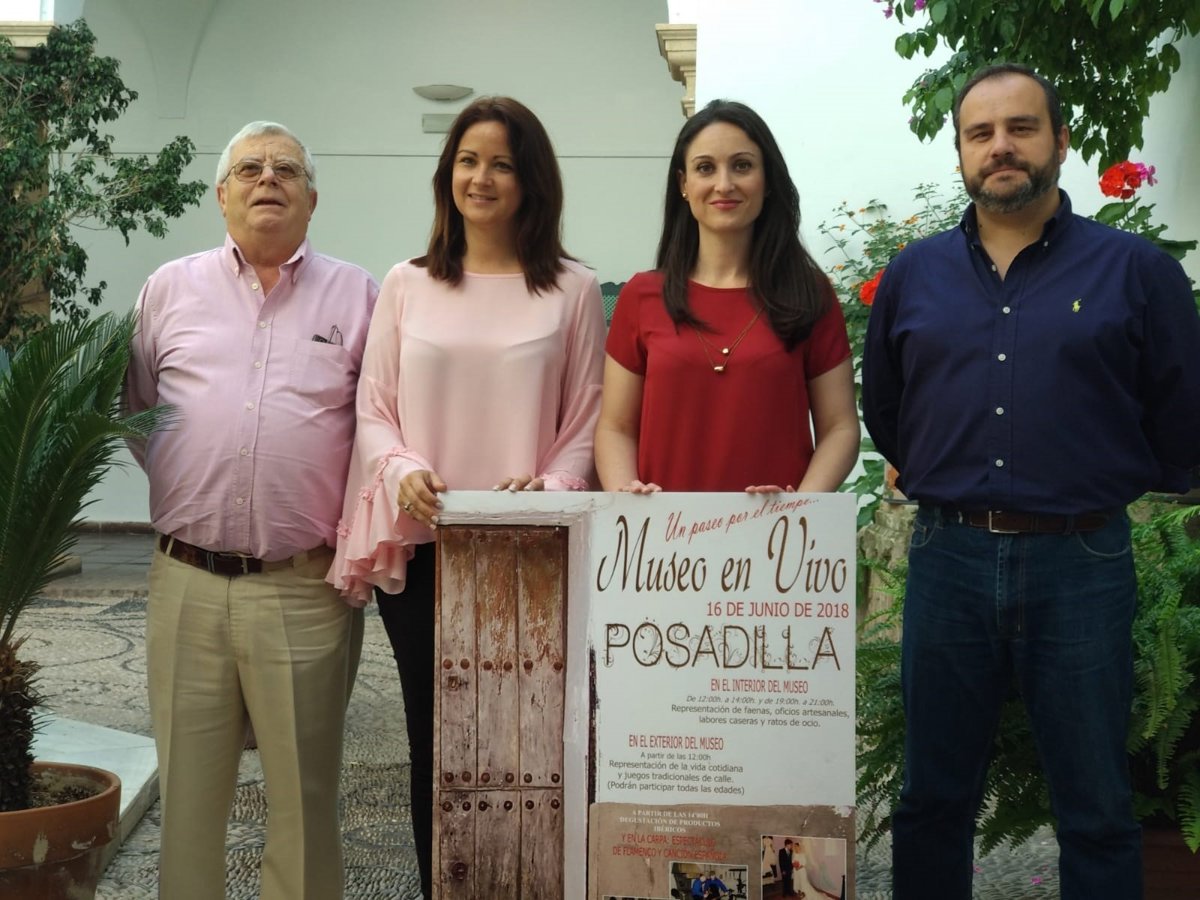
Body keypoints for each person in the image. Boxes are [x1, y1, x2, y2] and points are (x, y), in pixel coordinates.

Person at [862, 63, 1200, 900]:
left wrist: (1099, 474)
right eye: (980, 133)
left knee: (1096, 805)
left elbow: (1180, 410)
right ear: (960, 154)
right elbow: (889, 407)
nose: (1001, 146)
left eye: (1021, 127)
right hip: (948, 558)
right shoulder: (914, 275)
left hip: (1081, 561)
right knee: (931, 798)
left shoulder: (1137, 272)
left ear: (1061, 141)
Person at [329, 96, 606, 897]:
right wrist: (401, 468)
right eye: (468, 161)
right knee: (438, 742)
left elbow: (586, 418)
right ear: (447, 174)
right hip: (425, 545)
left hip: (531, 550)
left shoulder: (574, 290)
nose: (481, 178)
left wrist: (549, 486)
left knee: (530, 739)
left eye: (502, 164)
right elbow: (373, 408)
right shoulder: (407, 283)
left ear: (531, 181)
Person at [125, 121, 378, 900]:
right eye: (250, 168)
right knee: (187, 801)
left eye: (286, 169)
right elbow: (139, 415)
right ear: (221, 193)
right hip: (186, 584)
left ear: (312, 198)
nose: (268, 179)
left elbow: (376, 429)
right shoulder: (169, 289)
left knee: (303, 803)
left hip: (303, 588)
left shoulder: (359, 295)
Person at [595, 99, 858, 494]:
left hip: (775, 527)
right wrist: (626, 496)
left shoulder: (809, 294)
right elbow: (615, 426)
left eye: (742, 166)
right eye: (705, 168)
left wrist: (799, 508)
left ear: (768, 181)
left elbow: (839, 427)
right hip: (661, 528)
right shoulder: (641, 295)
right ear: (684, 185)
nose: (724, 184)